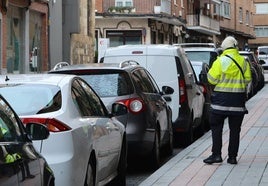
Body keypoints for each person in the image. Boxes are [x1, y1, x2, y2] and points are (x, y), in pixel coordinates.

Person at [203, 36, 252, 165]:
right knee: (235, 130)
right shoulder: (243, 61)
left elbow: (211, 80)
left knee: (216, 127)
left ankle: (216, 155)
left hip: (220, 102)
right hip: (237, 101)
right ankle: (232, 157)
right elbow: (248, 79)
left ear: (224, 48)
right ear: (235, 46)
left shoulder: (220, 61)